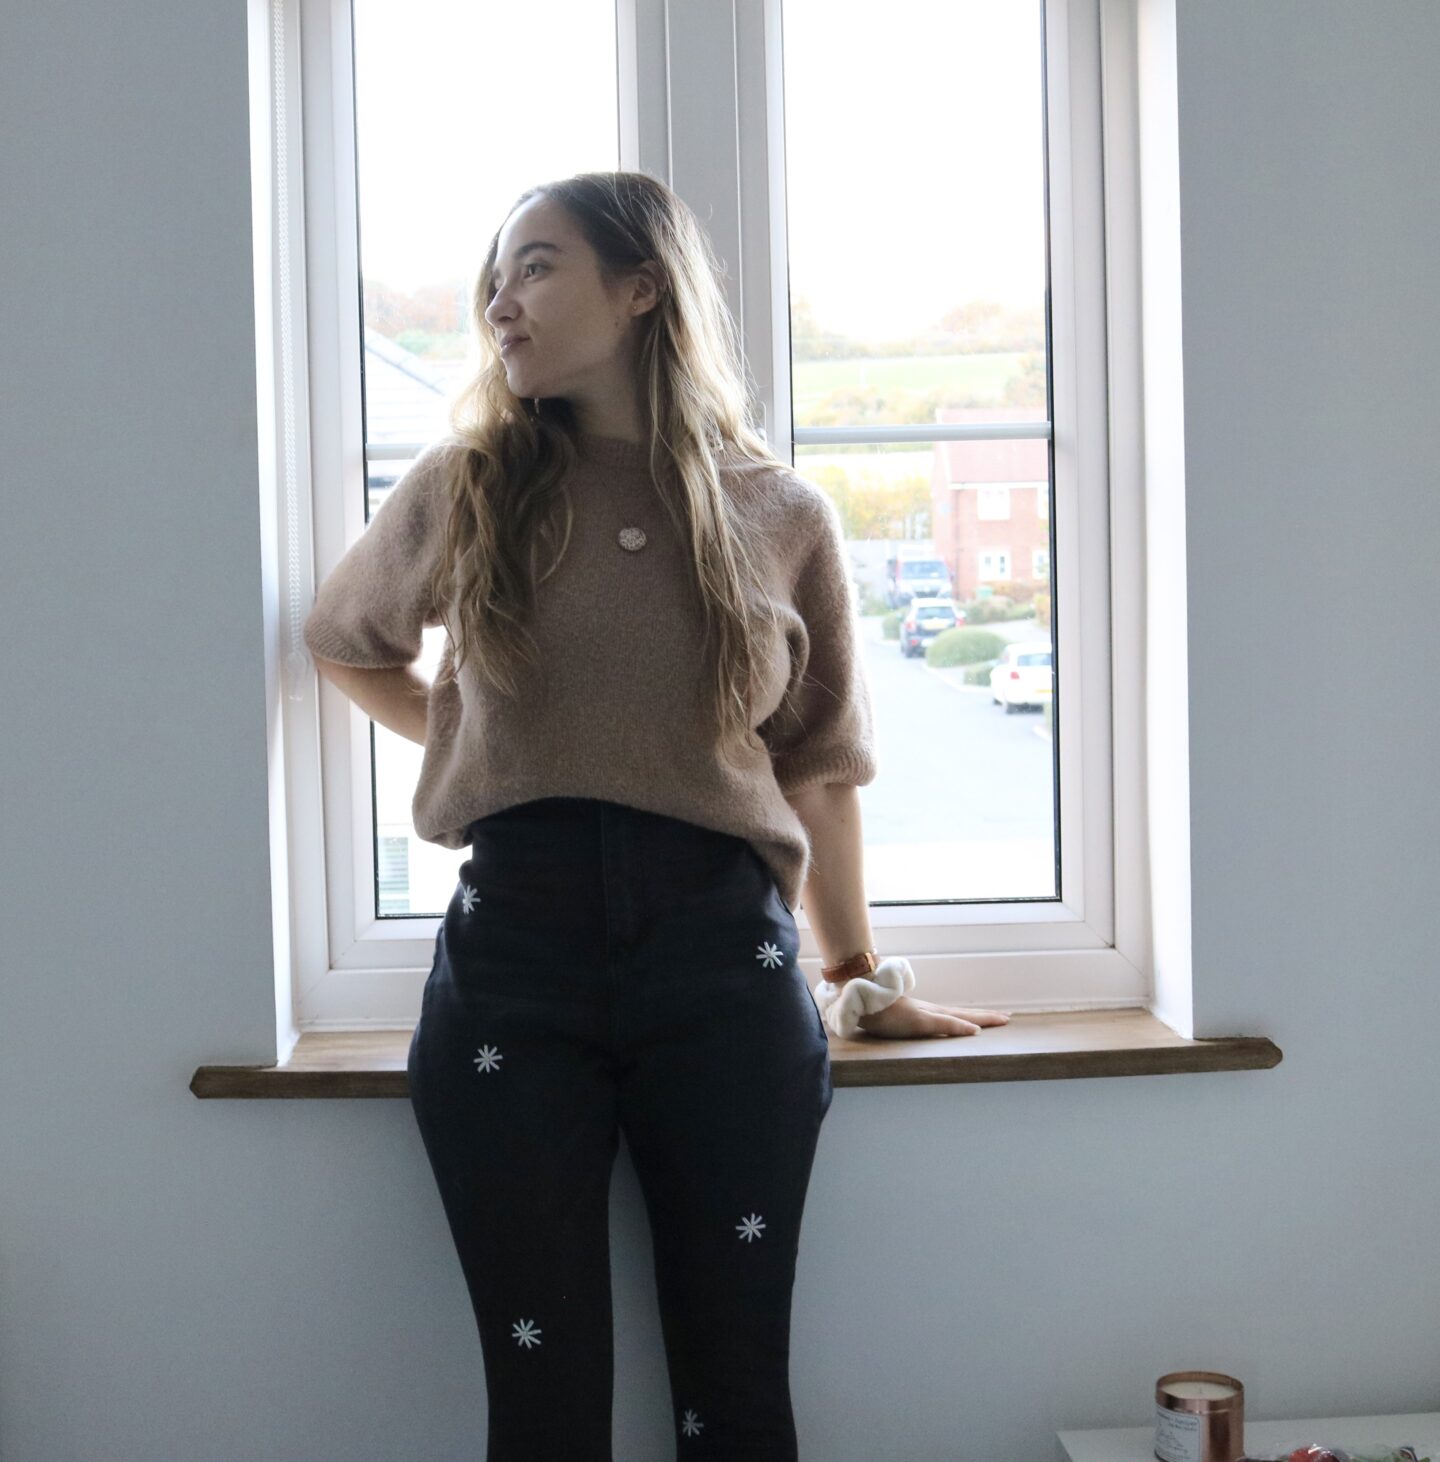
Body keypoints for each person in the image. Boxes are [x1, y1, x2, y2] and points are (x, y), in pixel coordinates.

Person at [303, 170, 1010, 1461]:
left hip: (724, 972)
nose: (499, 305)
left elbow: (818, 766)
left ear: (641, 288)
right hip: (515, 963)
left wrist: (855, 972)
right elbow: (347, 641)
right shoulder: (471, 485)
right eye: (494, 280)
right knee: (546, 1411)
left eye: (536, 267)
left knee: (735, 1402)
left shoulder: (781, 515)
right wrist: (474, 735)